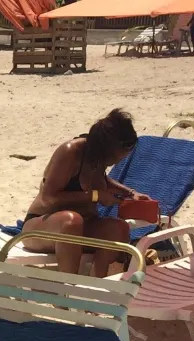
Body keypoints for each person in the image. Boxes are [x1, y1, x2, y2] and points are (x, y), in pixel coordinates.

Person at [20, 109, 151, 277]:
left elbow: (102, 180)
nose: (116, 163)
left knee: (118, 228)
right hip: (41, 228)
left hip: (81, 228)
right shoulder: (70, 152)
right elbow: (48, 198)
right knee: (71, 221)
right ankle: (69, 285)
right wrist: (96, 196)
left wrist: (131, 193)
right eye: (116, 159)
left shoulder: (98, 159)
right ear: (105, 149)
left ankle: (98, 282)